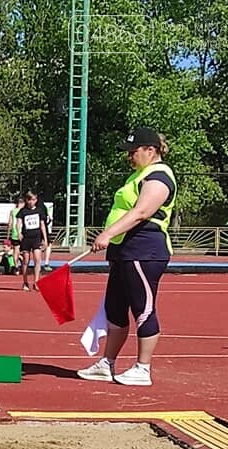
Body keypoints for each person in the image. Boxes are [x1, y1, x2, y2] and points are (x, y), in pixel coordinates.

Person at [78, 126, 176, 387]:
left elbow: (142, 212)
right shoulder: (140, 174)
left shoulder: (159, 176)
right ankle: (107, 363)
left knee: (143, 308)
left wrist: (107, 234)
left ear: (150, 150)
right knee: (114, 308)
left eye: (133, 152)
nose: (129, 157)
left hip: (144, 250)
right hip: (124, 250)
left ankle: (142, 368)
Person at [17, 190, 47, 291]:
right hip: (26, 238)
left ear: (36, 200)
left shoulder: (39, 211)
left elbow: (42, 225)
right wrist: (18, 232)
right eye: (29, 199)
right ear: (26, 200)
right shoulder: (23, 211)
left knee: (37, 260)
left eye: (33, 199)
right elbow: (18, 223)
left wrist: (45, 239)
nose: (31, 202)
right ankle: (25, 282)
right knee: (25, 260)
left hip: (36, 238)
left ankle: (36, 282)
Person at [7, 197, 24, 273]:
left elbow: (9, 224)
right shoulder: (24, 211)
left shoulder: (12, 211)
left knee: (15, 251)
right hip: (23, 233)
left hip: (14, 233)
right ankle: (22, 266)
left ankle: (16, 265)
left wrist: (8, 234)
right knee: (24, 251)